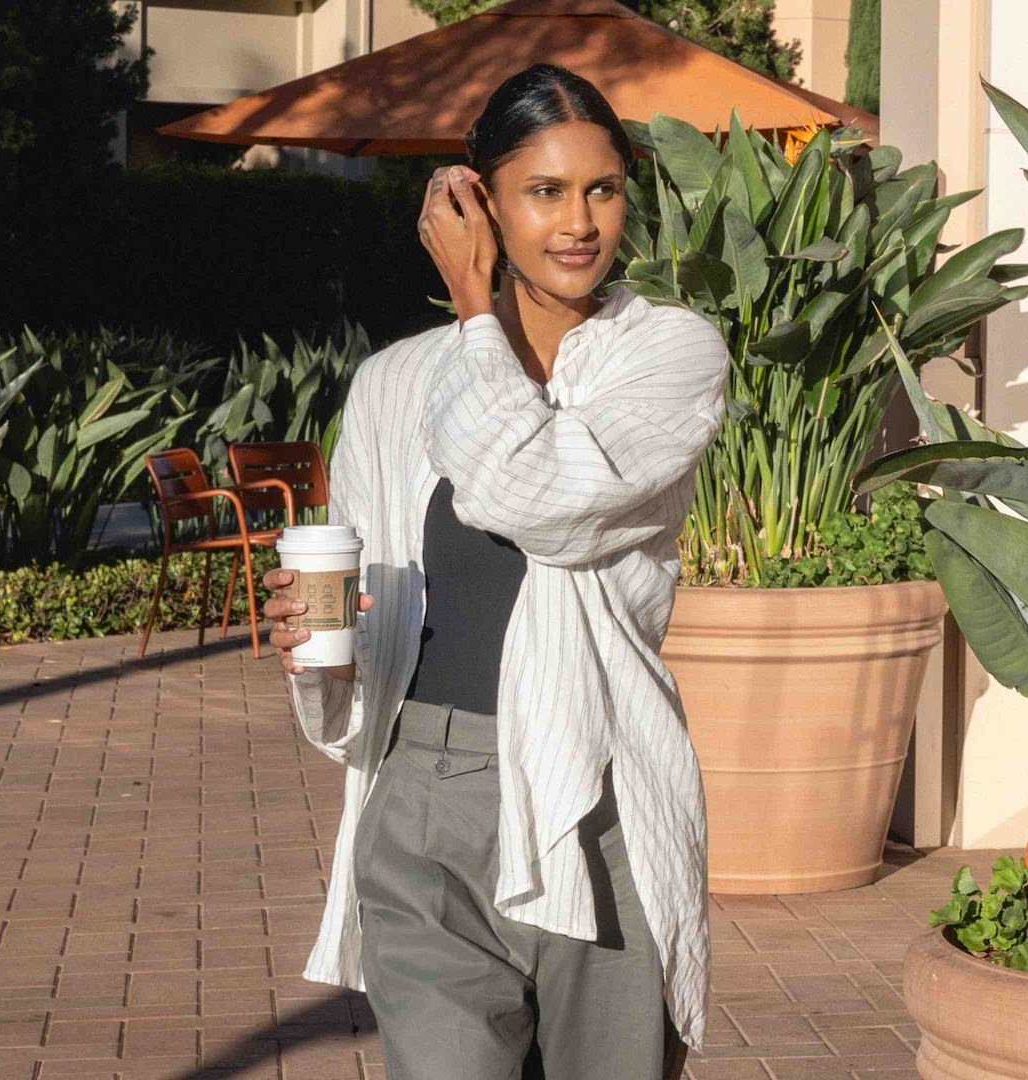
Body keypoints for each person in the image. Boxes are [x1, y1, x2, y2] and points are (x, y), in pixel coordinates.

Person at [257, 63, 728, 1080]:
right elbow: (370, 605)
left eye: (602, 188)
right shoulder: (393, 385)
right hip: (423, 800)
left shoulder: (670, 357)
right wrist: (315, 645)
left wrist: (477, 309)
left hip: (594, 792)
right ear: (479, 198)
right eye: (544, 191)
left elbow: (534, 497)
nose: (579, 222)